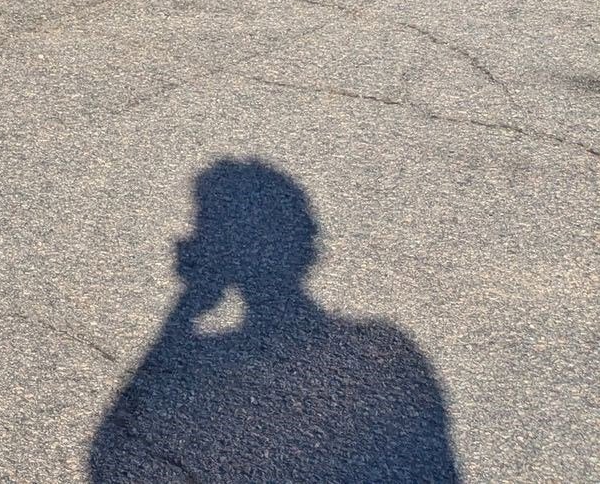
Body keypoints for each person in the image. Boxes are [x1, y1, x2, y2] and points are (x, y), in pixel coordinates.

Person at [87, 159, 459, 483]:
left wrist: (190, 301)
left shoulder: (204, 364)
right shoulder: (390, 350)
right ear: (308, 245)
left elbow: (113, 454)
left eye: (205, 229)